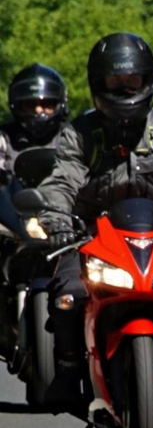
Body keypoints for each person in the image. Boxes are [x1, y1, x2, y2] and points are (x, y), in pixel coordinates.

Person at [37, 32, 153, 415]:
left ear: (148, 82)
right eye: (114, 83)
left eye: (132, 82)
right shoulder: (81, 133)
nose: (124, 90)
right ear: (97, 84)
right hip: (90, 234)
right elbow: (62, 178)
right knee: (67, 293)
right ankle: (69, 369)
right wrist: (56, 219)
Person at [0, 64, 70, 366]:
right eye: (31, 104)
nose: (39, 111)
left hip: (66, 224)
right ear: (17, 106)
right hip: (13, 221)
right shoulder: (4, 138)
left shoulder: (74, 137)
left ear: (59, 105)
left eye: (46, 104)